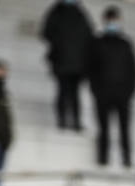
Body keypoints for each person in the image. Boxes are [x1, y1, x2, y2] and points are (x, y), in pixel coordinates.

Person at [86, 5, 135, 169]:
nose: (112, 24)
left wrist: (128, 93)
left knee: (124, 130)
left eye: (115, 20)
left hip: (122, 96)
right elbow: (91, 70)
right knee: (103, 129)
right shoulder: (97, 43)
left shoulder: (126, 45)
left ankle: (126, 159)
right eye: (110, 20)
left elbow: (134, 71)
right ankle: (103, 158)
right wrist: (96, 91)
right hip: (103, 95)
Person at [41, 0, 93, 131]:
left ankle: (75, 121)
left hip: (77, 64)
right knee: (63, 91)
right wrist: (59, 46)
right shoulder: (56, 12)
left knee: (75, 94)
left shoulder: (81, 13)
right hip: (62, 61)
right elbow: (46, 32)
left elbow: (89, 38)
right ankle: (62, 119)